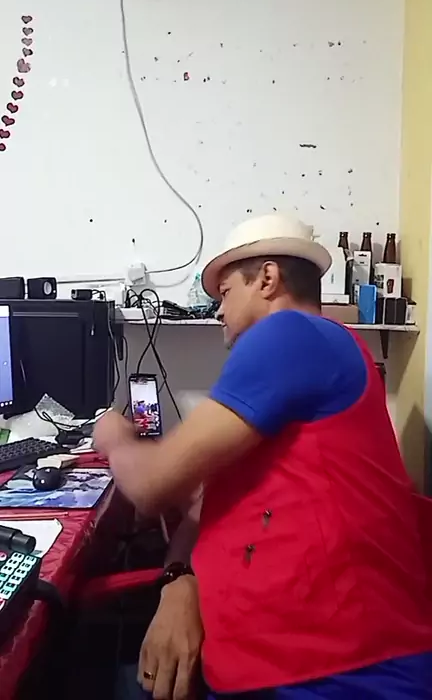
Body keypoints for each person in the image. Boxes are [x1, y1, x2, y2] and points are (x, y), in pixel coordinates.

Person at [95, 214, 432, 700]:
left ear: (268, 279)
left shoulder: (291, 334)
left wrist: (113, 436)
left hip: (336, 676)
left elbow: (152, 486)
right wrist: (179, 580)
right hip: (279, 663)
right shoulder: (318, 348)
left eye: (225, 293)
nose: (218, 311)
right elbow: (204, 504)